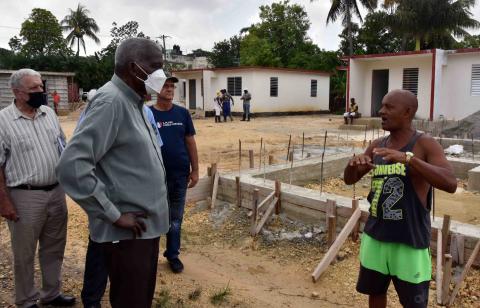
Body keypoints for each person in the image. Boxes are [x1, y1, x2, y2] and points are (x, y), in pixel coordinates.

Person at [56, 38, 170, 308]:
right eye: (156, 67)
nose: (161, 76)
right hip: (128, 235)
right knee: (130, 301)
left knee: (138, 299)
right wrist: (113, 214)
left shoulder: (134, 102)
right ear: (134, 68)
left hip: (142, 231)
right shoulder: (111, 102)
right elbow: (72, 167)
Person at [343, 89, 457, 308]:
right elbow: (350, 180)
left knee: (413, 303)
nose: (381, 111)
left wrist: (409, 159)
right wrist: (353, 165)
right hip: (375, 236)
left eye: (388, 107)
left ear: (407, 112)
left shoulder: (424, 144)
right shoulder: (377, 145)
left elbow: (450, 183)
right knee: (375, 293)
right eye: (382, 106)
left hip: (409, 241)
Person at [78, 96, 163, 308]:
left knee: (134, 276)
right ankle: (92, 299)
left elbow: (155, 149)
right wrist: (108, 208)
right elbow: (79, 162)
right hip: (113, 203)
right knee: (101, 251)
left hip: (141, 209)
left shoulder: (145, 111)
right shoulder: (106, 106)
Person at [0, 69, 75, 308]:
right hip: (24, 195)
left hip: (55, 192)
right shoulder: (3, 121)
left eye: (40, 86)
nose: (40, 91)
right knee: (24, 253)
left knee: (54, 247)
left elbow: (62, 147)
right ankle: (26, 299)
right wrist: (4, 201)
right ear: (17, 92)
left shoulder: (49, 114)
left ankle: (51, 294)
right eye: (34, 88)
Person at [150, 76, 199, 273]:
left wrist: (195, 170)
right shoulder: (147, 114)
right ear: (155, 89)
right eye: (165, 86)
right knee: (153, 217)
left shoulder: (182, 113)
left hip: (179, 176)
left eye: (172, 86)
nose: (170, 89)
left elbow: (190, 142)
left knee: (176, 219)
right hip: (155, 177)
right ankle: (148, 256)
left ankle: (173, 255)